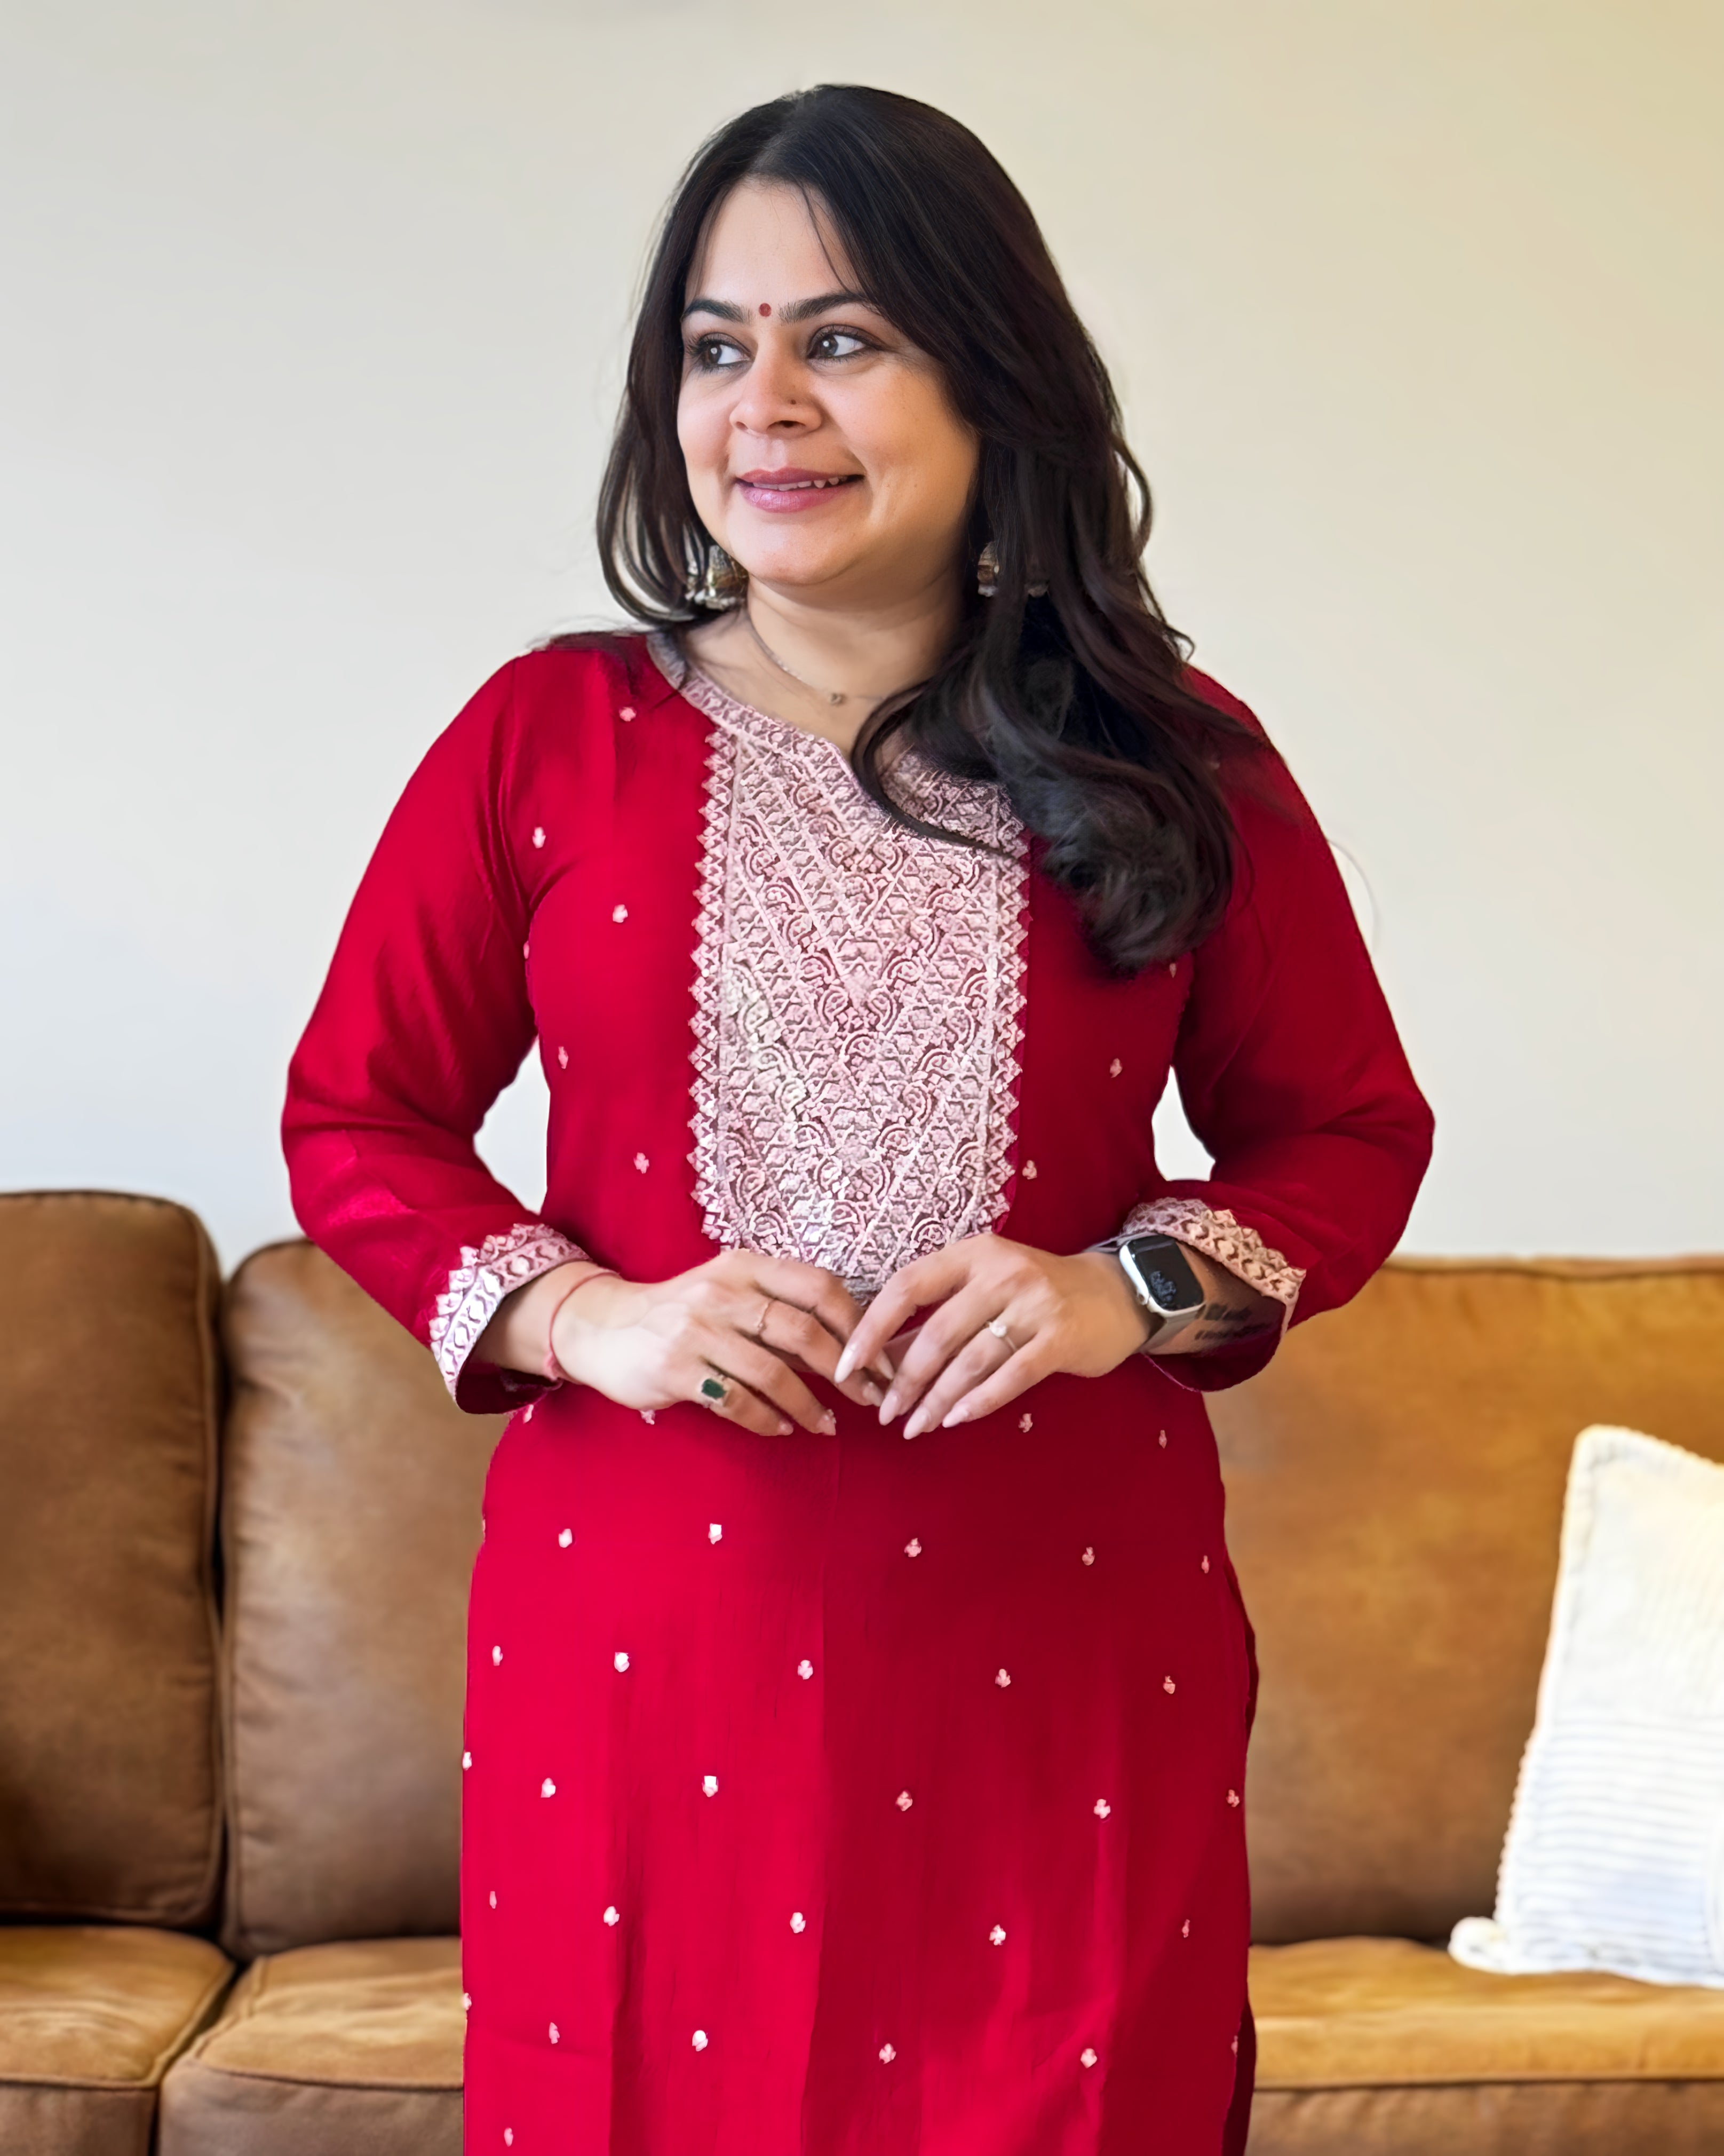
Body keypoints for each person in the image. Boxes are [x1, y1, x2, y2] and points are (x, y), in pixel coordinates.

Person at [284, 83, 1432, 2156]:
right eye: (716, 347)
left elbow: (1341, 1131)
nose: (765, 405)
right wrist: (588, 1317)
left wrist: (1119, 1286)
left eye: (844, 337)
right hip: (644, 1656)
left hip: (1059, 1656)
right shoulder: (545, 738)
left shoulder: (1171, 754)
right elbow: (358, 1112)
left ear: (992, 374)